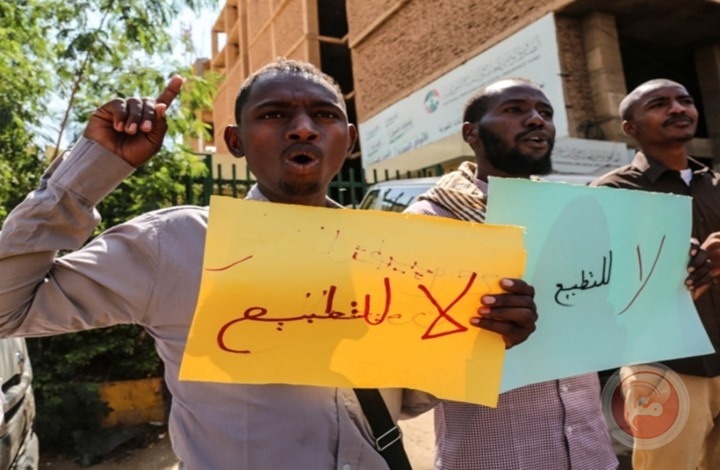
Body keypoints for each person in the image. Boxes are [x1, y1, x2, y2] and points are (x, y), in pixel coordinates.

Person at [0, 59, 539, 469]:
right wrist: (92, 170)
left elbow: (408, 398)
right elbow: (8, 311)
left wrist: (481, 341)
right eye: (275, 114)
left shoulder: (397, 257)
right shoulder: (175, 245)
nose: (303, 128)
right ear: (235, 141)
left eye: (324, 116)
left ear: (348, 141)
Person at [405, 78, 618, 469]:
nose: (537, 120)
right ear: (471, 133)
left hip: (593, 452)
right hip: (493, 455)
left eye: (545, 113)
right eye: (515, 110)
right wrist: (481, 340)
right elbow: (407, 364)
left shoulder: (575, 213)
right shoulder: (429, 224)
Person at [591, 78, 720, 470]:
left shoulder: (716, 184)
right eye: (659, 103)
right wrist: (666, 266)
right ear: (629, 127)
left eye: (685, 100)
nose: (678, 109)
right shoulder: (611, 192)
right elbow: (600, 284)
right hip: (666, 368)